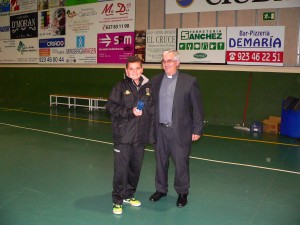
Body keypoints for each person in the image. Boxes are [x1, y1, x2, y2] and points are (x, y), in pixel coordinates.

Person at [149, 49, 204, 207]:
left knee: (181, 163)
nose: (166, 64)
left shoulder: (189, 81)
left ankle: (182, 192)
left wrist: (197, 129)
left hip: (180, 131)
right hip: (160, 130)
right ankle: (161, 189)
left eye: (170, 60)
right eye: (164, 61)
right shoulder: (155, 80)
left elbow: (197, 108)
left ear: (177, 62)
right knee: (161, 162)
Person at [106, 55, 153, 215]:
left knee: (135, 169)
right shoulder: (119, 87)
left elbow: (152, 110)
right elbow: (110, 108)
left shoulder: (148, 87)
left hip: (140, 137)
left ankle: (129, 194)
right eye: (131, 69)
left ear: (142, 69)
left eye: (137, 68)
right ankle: (117, 200)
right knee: (121, 170)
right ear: (126, 71)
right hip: (123, 136)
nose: (134, 71)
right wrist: (129, 112)